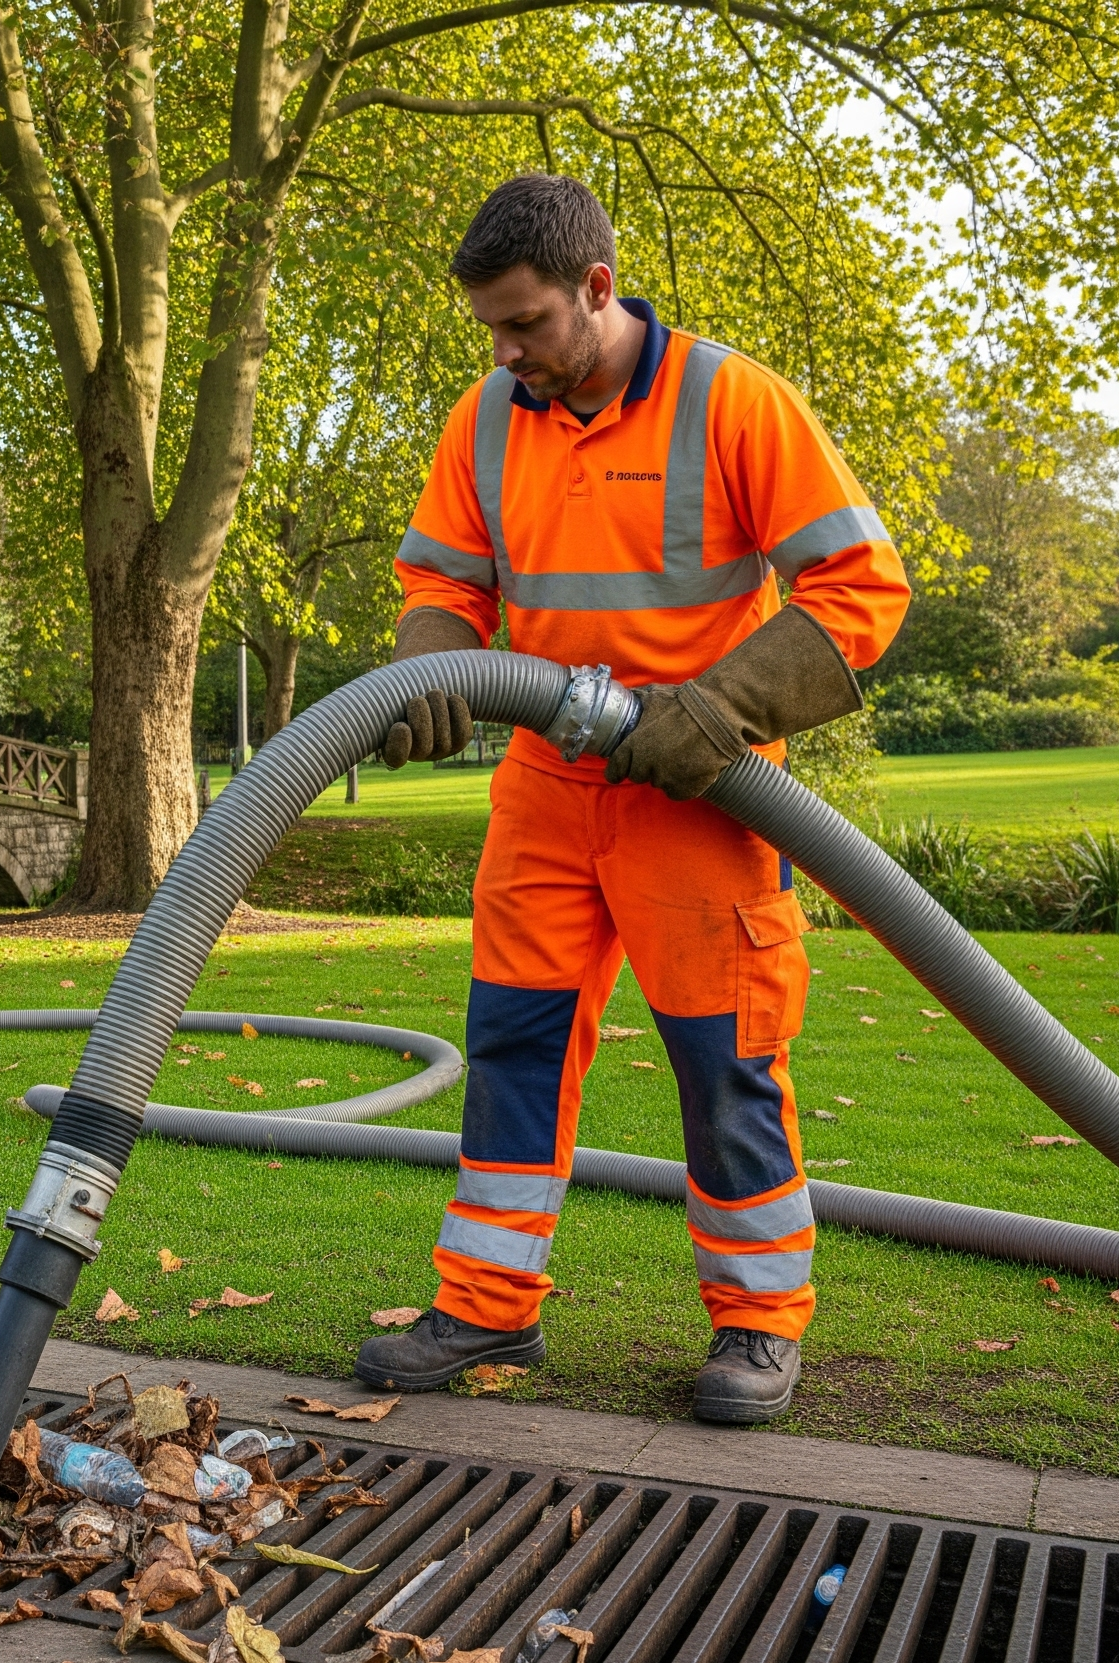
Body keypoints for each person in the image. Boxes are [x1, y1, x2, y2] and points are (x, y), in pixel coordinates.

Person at [353, 174, 909, 1424]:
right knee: (512, 1048)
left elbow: (860, 588)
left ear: (596, 290)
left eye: (526, 323)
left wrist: (717, 709)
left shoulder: (731, 399)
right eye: (491, 330)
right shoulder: (490, 419)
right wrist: (429, 661)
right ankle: (488, 1308)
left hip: (703, 798)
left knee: (724, 1064)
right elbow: (442, 580)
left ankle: (758, 1324)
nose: (506, 352)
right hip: (547, 792)